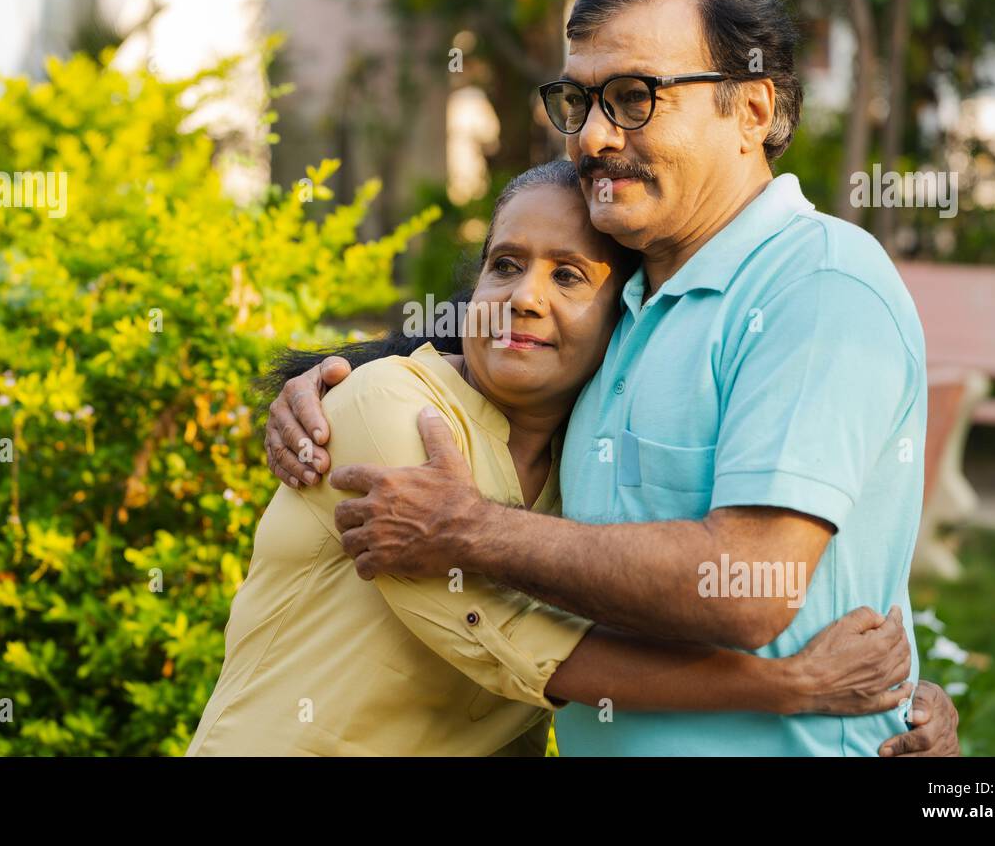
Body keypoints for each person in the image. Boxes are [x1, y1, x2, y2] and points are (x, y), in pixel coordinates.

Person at [264, 0, 962, 757]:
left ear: (753, 109)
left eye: (635, 98)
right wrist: (333, 387)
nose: (594, 136)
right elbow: (490, 371)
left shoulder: (817, 286)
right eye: (580, 100)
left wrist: (471, 533)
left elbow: (753, 587)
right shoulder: (622, 300)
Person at [188, 163, 915, 756]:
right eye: (505, 266)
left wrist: (905, 706)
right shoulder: (390, 406)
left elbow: (696, 570)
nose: (523, 298)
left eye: (569, 277)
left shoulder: (592, 473)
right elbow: (516, 642)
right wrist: (788, 688)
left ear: (624, 319)